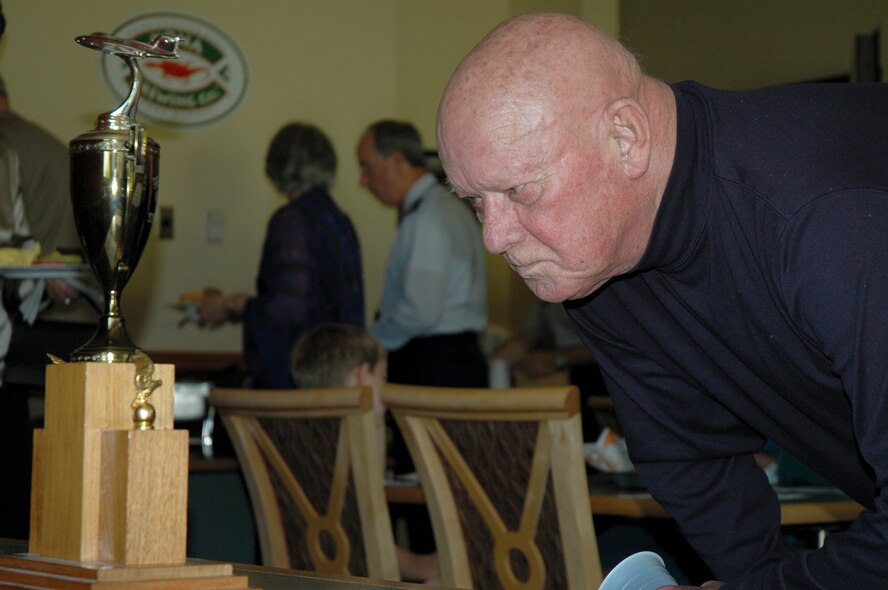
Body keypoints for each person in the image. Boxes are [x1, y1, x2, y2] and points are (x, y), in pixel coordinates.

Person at [436, 12, 888, 589]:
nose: (494, 238)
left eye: (518, 190)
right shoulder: (598, 263)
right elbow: (691, 462)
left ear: (626, 138)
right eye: (475, 201)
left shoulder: (822, 217)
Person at [198, 122, 364, 389]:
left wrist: (236, 305)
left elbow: (291, 311)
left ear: (277, 165)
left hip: (304, 379)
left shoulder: (292, 221)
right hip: (342, 373)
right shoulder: (338, 220)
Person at [290, 323, 440, 585]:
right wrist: (425, 566)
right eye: (382, 377)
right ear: (362, 376)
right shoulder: (345, 448)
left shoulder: (299, 442)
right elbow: (362, 539)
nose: (387, 386)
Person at [356, 120, 487, 389]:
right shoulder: (447, 208)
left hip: (435, 364)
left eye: (368, 168)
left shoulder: (427, 217)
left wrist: (368, 341)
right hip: (454, 359)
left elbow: (421, 311)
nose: (363, 181)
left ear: (395, 160)